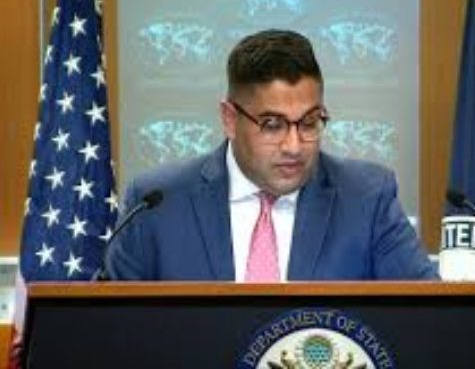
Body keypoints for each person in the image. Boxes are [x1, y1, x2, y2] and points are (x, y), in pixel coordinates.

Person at [105, 29, 438, 281]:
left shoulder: (367, 198)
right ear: (230, 119)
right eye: (272, 125)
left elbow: (425, 315)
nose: (294, 146)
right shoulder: (156, 204)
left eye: (309, 122)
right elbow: (112, 329)